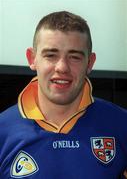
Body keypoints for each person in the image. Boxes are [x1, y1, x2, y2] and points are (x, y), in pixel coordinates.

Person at [0, 11, 127, 179]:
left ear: (90, 62)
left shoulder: (121, 124)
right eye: (51, 55)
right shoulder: (3, 130)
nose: (62, 67)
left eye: (74, 57)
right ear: (32, 59)